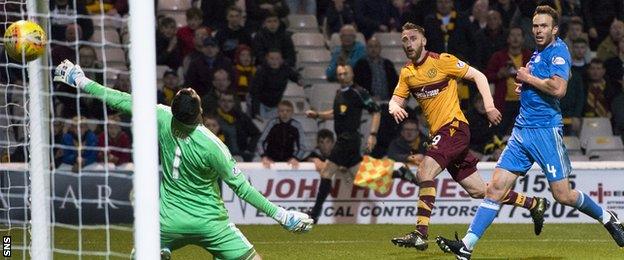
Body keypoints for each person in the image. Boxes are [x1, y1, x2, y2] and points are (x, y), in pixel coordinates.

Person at [53, 59, 313, 260]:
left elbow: (121, 100)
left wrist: (80, 80)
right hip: (210, 222)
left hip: (169, 221)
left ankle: (157, 252)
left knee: (141, 252)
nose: (187, 88)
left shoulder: (162, 117)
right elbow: (242, 188)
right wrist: (281, 215)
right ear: (200, 112)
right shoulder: (214, 146)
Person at [436, 7, 624, 259]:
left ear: (555, 29)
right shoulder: (537, 54)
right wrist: (526, 84)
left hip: (545, 131)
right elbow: (540, 83)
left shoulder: (558, 51)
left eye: (544, 26)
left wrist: (527, 77)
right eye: (535, 26)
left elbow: (558, 89)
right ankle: (466, 247)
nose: (538, 30)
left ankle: (606, 217)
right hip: (522, 131)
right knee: (495, 189)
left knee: (563, 195)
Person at [388, 22, 547, 251]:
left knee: (424, 171)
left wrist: (490, 107)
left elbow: (480, 76)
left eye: (413, 38)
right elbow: (396, 99)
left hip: (454, 128)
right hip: (443, 134)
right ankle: (533, 203)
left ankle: (420, 233)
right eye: (404, 39)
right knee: (479, 191)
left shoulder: (442, 60)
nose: (409, 43)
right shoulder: (407, 73)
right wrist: (393, 107)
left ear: (423, 41)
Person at [305, 63, 381, 223]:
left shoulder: (359, 92)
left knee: (326, 172)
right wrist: (318, 115)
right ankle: (400, 173)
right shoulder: (340, 93)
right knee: (362, 175)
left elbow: (376, 111)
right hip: (345, 139)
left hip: (348, 138)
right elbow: (336, 113)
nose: (342, 76)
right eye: (339, 74)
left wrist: (372, 135)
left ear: (352, 74)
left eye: (345, 73)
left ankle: (314, 214)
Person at [258, 100, 308, 169]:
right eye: (282, 111)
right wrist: (264, 156)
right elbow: (261, 142)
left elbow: (303, 146)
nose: (285, 113)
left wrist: (296, 158)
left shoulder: (297, 126)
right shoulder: (272, 123)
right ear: (278, 112)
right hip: (271, 162)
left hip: (288, 163)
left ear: (292, 112)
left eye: (288, 111)